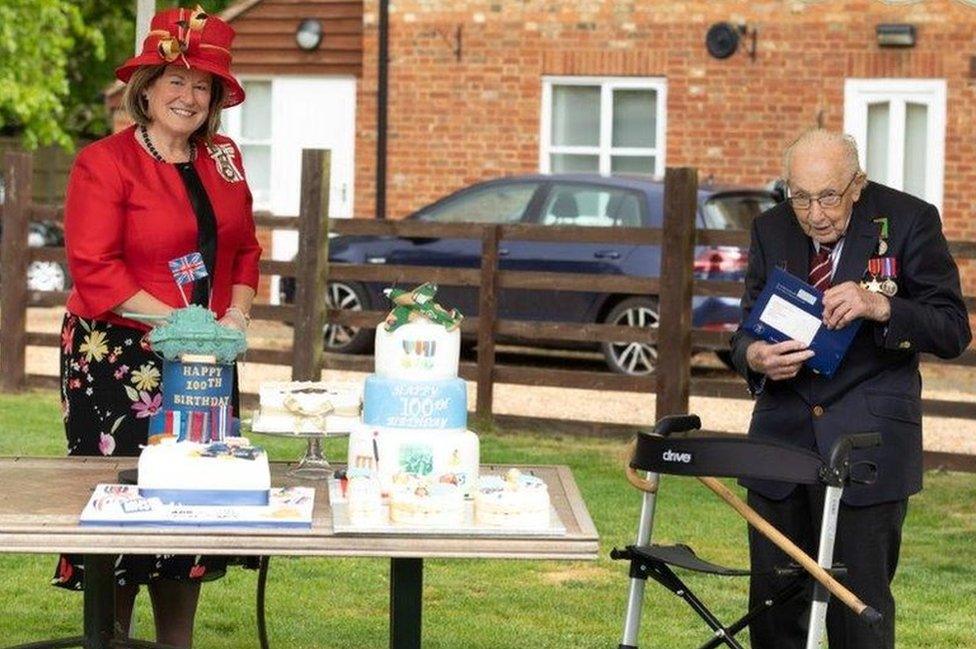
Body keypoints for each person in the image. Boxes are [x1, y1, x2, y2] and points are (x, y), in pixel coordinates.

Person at [53, 7, 260, 646]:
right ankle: (110, 639)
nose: (188, 96)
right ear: (146, 89)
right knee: (122, 505)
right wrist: (185, 321)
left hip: (205, 358)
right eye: (175, 81)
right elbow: (94, 268)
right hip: (116, 356)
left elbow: (246, 249)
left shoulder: (223, 157)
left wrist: (232, 319)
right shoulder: (104, 161)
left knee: (196, 496)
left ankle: (176, 644)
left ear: (217, 99)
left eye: (203, 86)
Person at [729, 129, 970, 649]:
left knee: (856, 611)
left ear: (857, 185)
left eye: (828, 197)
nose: (815, 213)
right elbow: (745, 329)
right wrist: (754, 356)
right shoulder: (770, 229)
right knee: (773, 609)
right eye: (800, 197)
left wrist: (881, 306)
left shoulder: (909, 220)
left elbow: (953, 328)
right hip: (780, 443)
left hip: (869, 446)